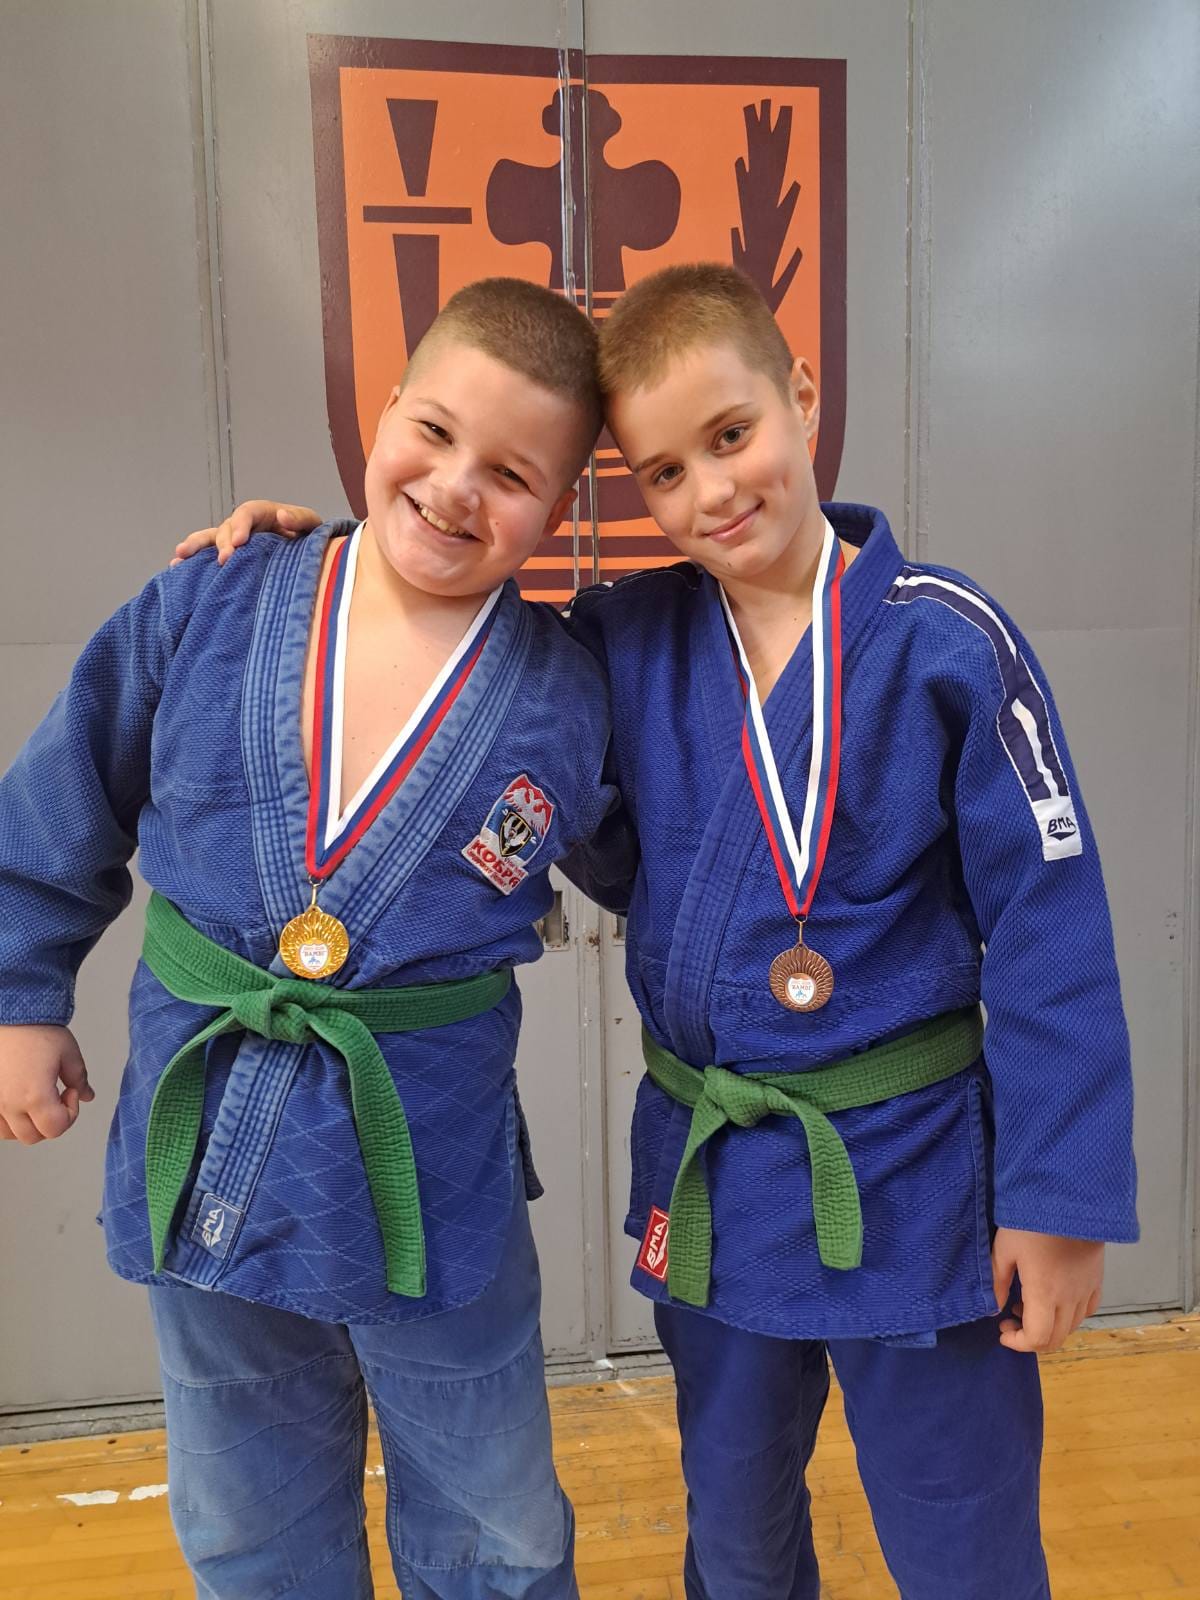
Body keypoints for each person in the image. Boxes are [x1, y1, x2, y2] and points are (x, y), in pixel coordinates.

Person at [177, 262, 1138, 1600]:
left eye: (732, 436)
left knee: (958, 1526)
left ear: (803, 393)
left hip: (915, 1175)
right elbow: (454, 620)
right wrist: (308, 563)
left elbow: (1050, 925)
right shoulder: (624, 640)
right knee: (734, 1526)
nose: (712, 493)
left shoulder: (948, 641)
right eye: (665, 473)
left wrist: (1058, 1197)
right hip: (720, 1179)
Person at [0, 277, 619, 1600]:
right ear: (383, 410)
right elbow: (63, 795)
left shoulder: (571, 691)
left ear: (560, 508)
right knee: (245, 1512)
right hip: (208, 1134)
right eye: (434, 433)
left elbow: (662, 868)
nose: (455, 488)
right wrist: (20, 996)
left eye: (512, 474)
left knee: (498, 1522)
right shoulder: (218, 598)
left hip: (431, 1167)